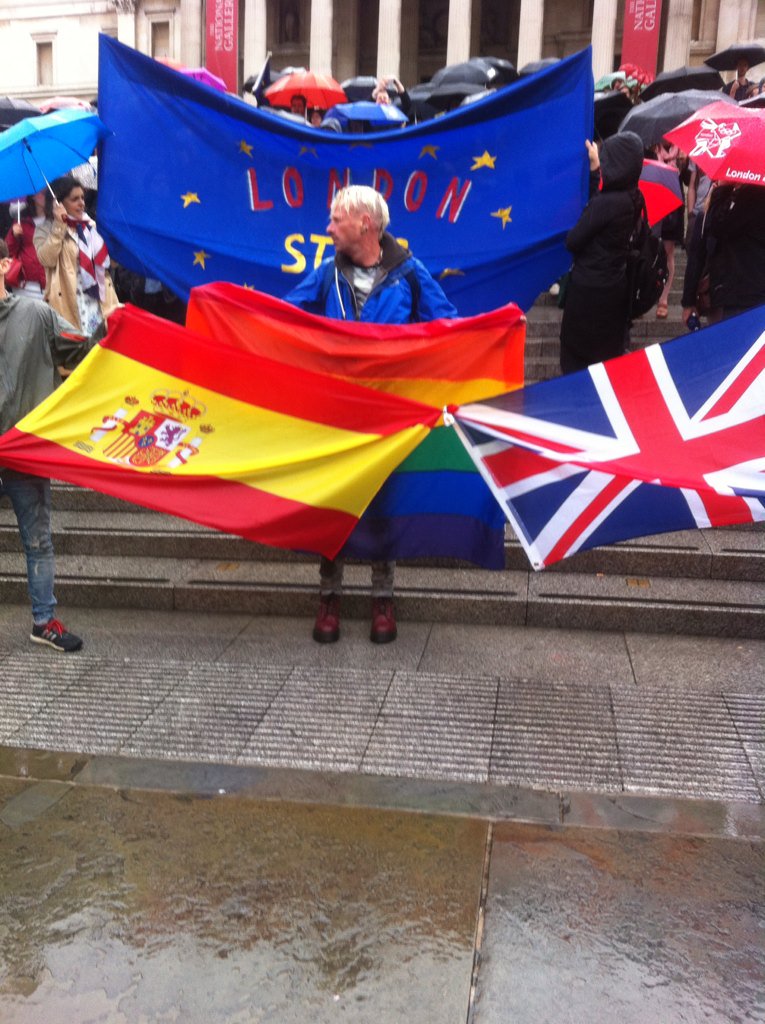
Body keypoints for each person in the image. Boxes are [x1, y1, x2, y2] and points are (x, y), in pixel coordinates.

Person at [285, 185, 457, 645]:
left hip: (388, 418)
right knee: (335, 505)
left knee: (384, 506)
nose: (328, 228)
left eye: (335, 220)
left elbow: (449, 327)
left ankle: (383, 598)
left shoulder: (410, 274)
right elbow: (283, 317)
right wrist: (234, 312)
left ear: (365, 223)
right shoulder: (326, 274)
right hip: (337, 415)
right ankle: (329, 597)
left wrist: (496, 330)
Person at [0, 238, 95, 651]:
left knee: (38, 542)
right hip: (20, 452)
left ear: (4, 264)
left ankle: (43, 621)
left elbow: (81, 351)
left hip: (24, 453)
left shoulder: (35, 314)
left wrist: (112, 330)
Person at [559, 132, 644, 374]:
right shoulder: (634, 198)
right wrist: (596, 172)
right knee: (603, 368)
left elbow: (573, 240)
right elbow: (599, 211)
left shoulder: (608, 203)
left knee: (575, 365)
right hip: (614, 292)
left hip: (588, 294)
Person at [34, 175, 119, 337]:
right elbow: (47, 259)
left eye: (82, 197)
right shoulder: (44, 230)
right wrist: (59, 226)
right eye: (75, 199)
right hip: (69, 305)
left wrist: (113, 240)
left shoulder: (91, 226)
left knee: (101, 347)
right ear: (58, 203)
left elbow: (111, 264)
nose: (82, 203)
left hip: (99, 303)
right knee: (77, 349)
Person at [4, 190, 47, 300]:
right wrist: (13, 235)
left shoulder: (56, 220)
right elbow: (8, 252)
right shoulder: (21, 222)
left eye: (47, 192)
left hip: (51, 284)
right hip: (25, 286)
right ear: (33, 196)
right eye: (42, 193)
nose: (46, 195)